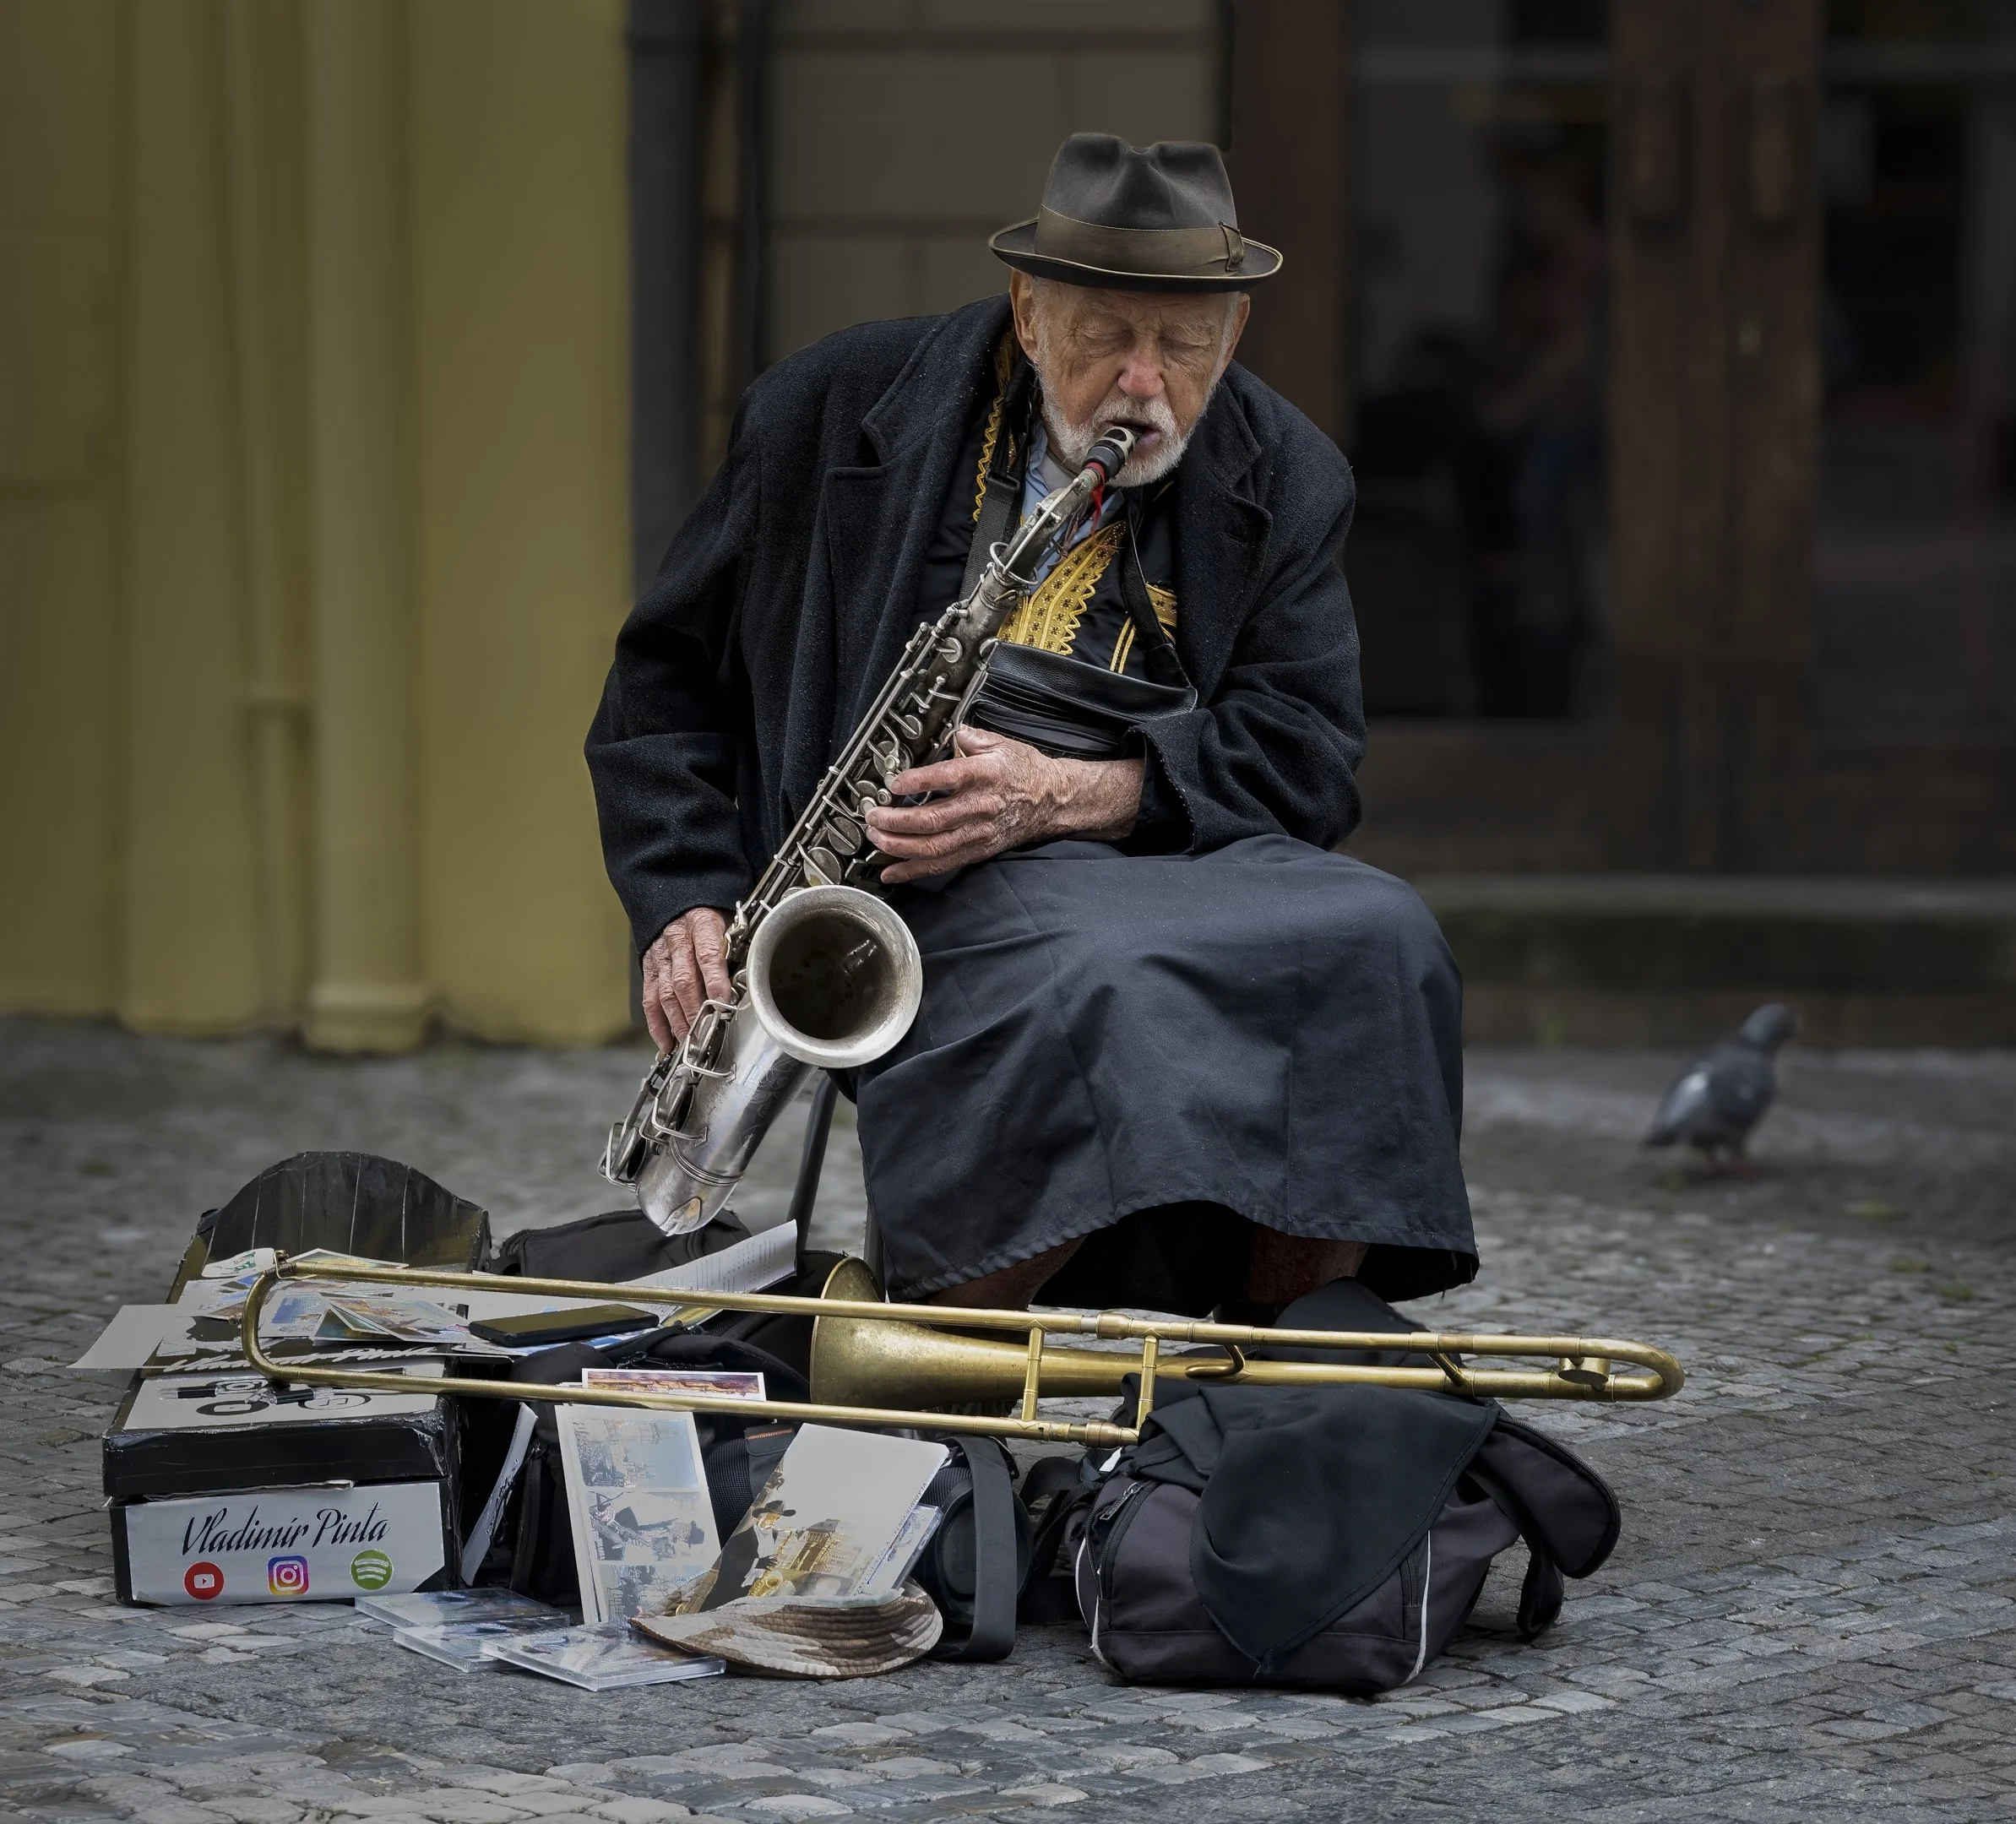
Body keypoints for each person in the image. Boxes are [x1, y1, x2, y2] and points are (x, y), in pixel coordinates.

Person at [588, 134, 1475, 1323]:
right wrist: (682, 897)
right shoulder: (826, 405)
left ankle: (1277, 1358)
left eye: (1183, 345)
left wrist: (1064, 794)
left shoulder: (1290, 476)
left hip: (1156, 851)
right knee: (1087, 978)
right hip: (901, 881)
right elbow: (663, 683)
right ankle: (961, 1354)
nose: (1144, 386)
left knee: (1381, 933)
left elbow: (1305, 757)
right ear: (1027, 312)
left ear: (1235, 336)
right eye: (1106, 335)